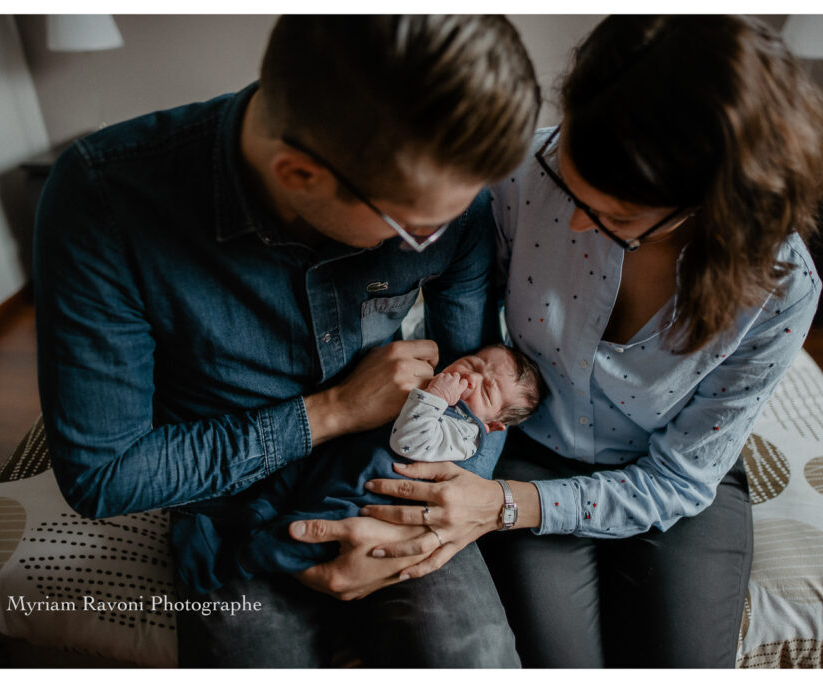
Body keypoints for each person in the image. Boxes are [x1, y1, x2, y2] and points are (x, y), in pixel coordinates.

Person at [33, 15, 539, 667]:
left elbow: (479, 397)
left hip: (390, 475)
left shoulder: (448, 199)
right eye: (417, 230)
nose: (444, 235)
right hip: (232, 500)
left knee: (471, 657)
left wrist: (446, 509)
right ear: (298, 173)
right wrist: (335, 411)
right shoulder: (104, 203)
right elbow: (105, 474)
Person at [356, 15, 823, 667]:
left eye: (618, 217)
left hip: (670, 472)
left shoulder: (779, 289)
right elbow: (458, 307)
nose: (575, 222)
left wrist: (501, 506)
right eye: (570, 184)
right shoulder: (528, 172)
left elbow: (681, 476)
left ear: (711, 205)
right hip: (535, 444)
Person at [174, 343, 545, 591]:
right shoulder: (431, 386)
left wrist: (436, 397)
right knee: (284, 479)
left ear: (494, 425)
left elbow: (410, 441)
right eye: (474, 365)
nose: (471, 378)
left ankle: (227, 563)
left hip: (359, 496)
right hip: (337, 462)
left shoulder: (466, 433)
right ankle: (256, 513)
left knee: (304, 536)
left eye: (487, 389)